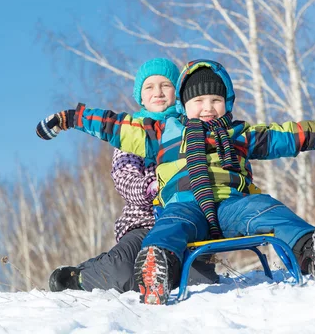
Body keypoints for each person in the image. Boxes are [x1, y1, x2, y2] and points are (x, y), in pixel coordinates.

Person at [36, 59, 315, 305]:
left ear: (226, 103)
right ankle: (157, 268)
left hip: (233, 204)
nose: (207, 107)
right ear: (184, 105)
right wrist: (69, 118)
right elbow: (113, 125)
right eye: (198, 101)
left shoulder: (239, 133)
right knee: (167, 228)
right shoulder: (161, 132)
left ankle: (314, 252)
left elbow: (290, 135)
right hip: (184, 205)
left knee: (268, 209)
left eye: (215, 100)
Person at [48, 58, 218, 294]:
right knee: (123, 274)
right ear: (141, 96)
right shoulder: (133, 132)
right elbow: (124, 178)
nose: (157, 92)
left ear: (177, 92)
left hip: (186, 221)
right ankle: (80, 277)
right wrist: (154, 186)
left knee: (200, 284)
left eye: (165, 85)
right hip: (144, 222)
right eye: (149, 87)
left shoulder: (190, 128)